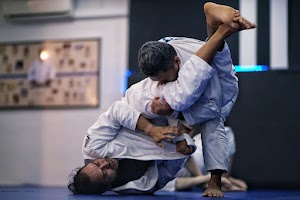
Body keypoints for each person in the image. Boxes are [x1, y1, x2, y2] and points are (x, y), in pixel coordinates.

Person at [137, 2, 256, 197]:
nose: (164, 83)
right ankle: (215, 27)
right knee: (178, 100)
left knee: (211, 124)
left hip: (221, 90)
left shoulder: (195, 85)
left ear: (176, 62)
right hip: (197, 54)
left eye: (166, 78)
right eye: (158, 80)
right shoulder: (161, 53)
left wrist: (214, 182)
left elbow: (212, 125)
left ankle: (220, 31)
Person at [68, 101, 196, 194]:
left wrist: (151, 130)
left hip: (148, 106)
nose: (105, 164)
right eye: (104, 173)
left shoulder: (93, 146)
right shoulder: (133, 186)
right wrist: (182, 145)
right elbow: (166, 173)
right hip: (176, 132)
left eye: (96, 164)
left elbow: (117, 111)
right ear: (107, 187)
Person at [160, 127, 248, 192]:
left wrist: (207, 179)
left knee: (226, 132)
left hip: (200, 158)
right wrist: (205, 179)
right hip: (201, 175)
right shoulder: (152, 180)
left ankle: (223, 180)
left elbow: (187, 155)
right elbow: (172, 184)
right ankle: (222, 181)